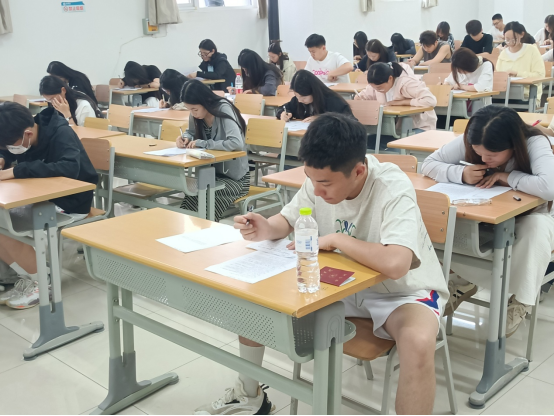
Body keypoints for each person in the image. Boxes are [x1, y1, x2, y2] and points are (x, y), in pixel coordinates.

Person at [194, 113, 449, 416]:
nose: (316, 190)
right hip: (340, 282)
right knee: (255, 306)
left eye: (325, 183)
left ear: (358, 171)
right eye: (311, 179)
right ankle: (250, 396)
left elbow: (396, 264)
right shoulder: (318, 176)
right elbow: (287, 220)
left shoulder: (391, 186)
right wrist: (266, 227)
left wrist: (338, 239)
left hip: (400, 292)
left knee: (418, 341)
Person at [421, 106, 554, 337]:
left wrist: (507, 176)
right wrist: (460, 174)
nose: (484, 159)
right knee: (447, 219)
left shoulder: (534, 142)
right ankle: (463, 280)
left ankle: (521, 300)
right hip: (486, 214)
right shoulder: (476, 138)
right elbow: (429, 163)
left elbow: (549, 187)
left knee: (536, 229)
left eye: (492, 155)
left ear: (513, 144)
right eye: (478, 152)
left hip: (529, 217)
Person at [0, 103, 98, 310]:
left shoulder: (61, 132)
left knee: (6, 229)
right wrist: (4, 159)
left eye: (10, 146)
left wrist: (17, 171)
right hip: (38, 197)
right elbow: (13, 154)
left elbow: (69, 168)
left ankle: (43, 282)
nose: (10, 149)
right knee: (3, 224)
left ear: (28, 134)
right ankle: (27, 275)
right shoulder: (24, 136)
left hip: (70, 202)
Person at [177, 80, 249, 222]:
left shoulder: (223, 108)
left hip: (236, 179)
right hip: (209, 175)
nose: (192, 113)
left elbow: (236, 143)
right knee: (194, 194)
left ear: (205, 102)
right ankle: (191, 231)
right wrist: (185, 138)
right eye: (189, 110)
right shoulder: (196, 114)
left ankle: (205, 229)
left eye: (195, 109)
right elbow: (190, 132)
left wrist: (203, 143)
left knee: (206, 194)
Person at [357, 62, 437, 151]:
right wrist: (358, 99)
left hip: (419, 128)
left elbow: (431, 100)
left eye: (379, 88)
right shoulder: (376, 85)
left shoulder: (407, 83)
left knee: (393, 151)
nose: (377, 90)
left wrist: (402, 102)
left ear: (390, 78)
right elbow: (363, 96)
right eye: (374, 88)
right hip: (394, 130)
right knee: (363, 144)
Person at [497, 21, 545, 108]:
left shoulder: (532, 50)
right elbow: (498, 76)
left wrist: (518, 73)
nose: (510, 43)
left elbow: (540, 75)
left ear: (522, 34)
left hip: (527, 96)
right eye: (507, 39)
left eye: (514, 39)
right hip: (504, 95)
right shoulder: (503, 54)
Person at [276, 70, 354, 122]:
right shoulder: (299, 100)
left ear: (314, 92)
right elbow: (283, 108)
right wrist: (283, 113)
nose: (299, 100)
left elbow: (350, 122)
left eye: (303, 97)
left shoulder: (333, 101)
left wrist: (322, 119)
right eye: (296, 96)